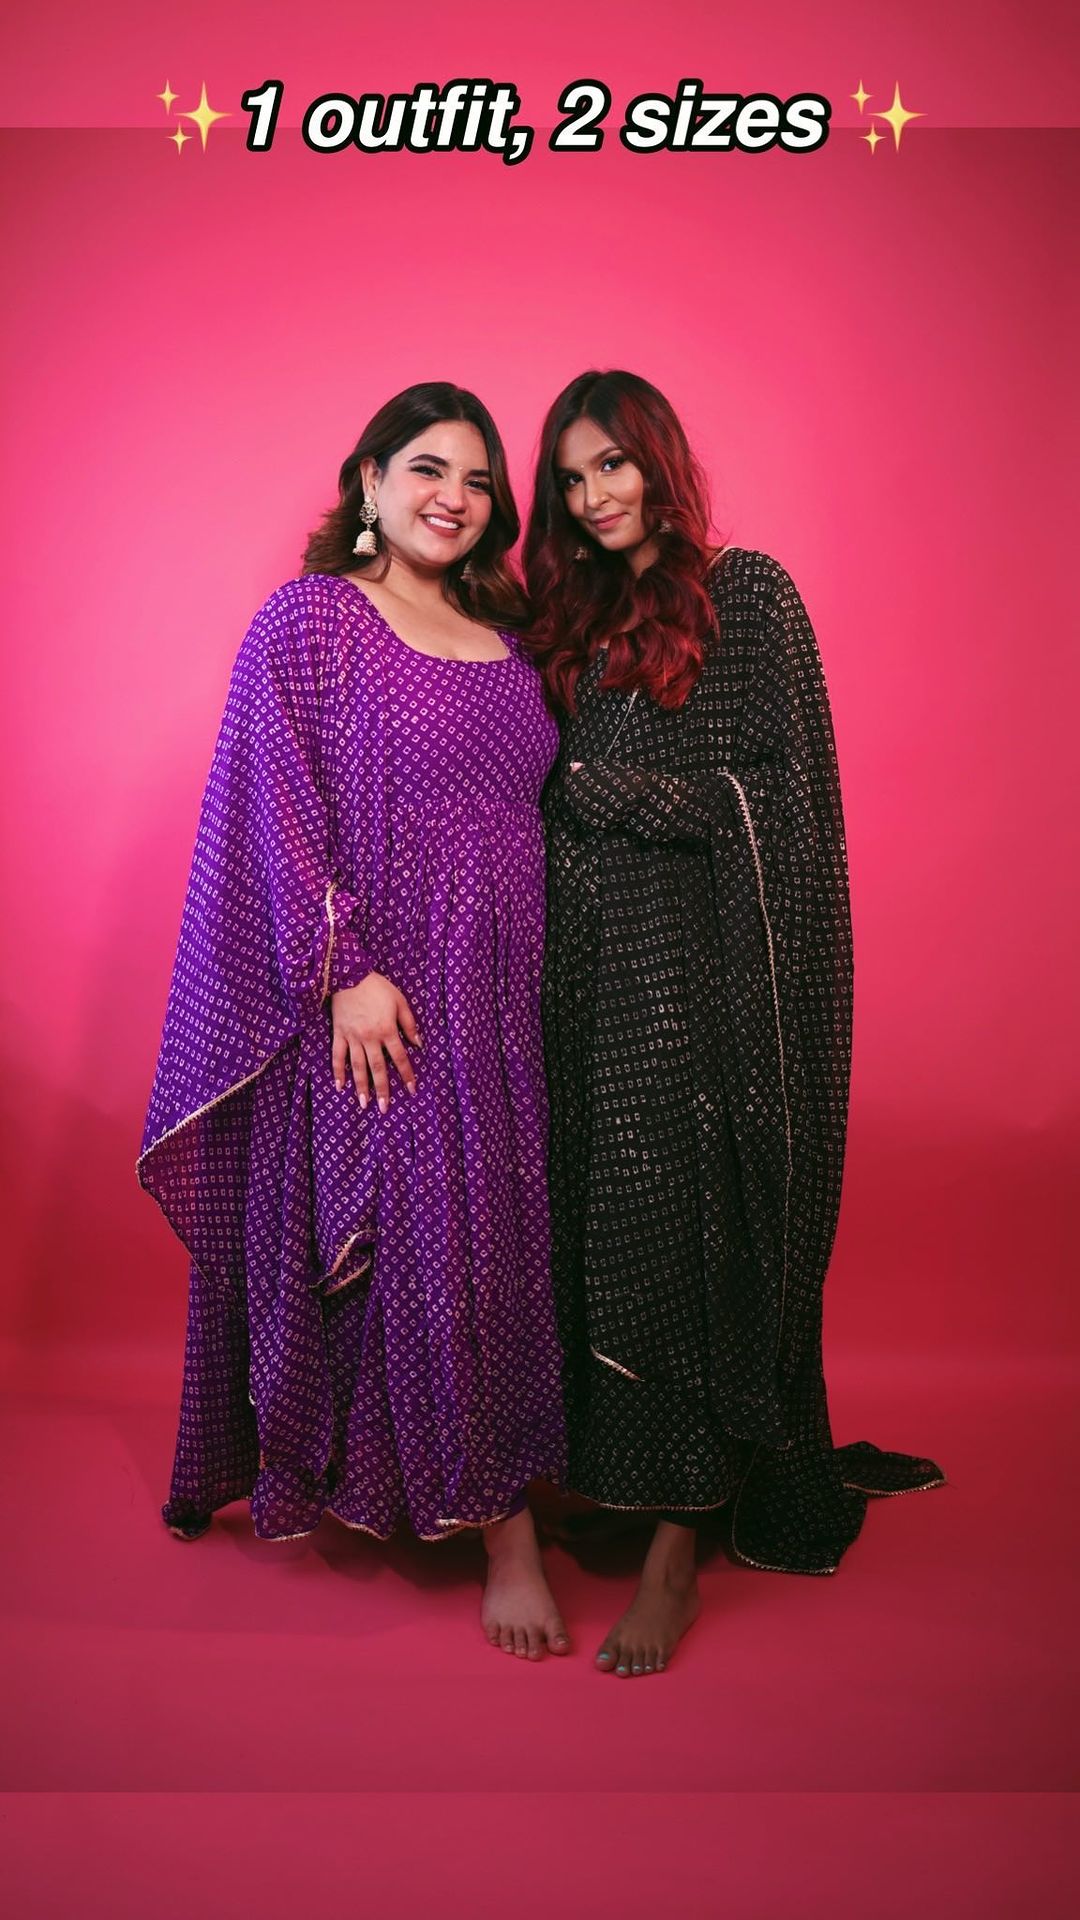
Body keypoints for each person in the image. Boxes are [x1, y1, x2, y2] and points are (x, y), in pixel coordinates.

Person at [523, 369, 945, 1678]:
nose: (595, 495)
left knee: (688, 1231)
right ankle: (626, 1479)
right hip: (585, 983)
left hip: (705, 984)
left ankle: (675, 1550)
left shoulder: (747, 597)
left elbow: (790, 803)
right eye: (572, 478)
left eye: (612, 463)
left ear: (658, 459)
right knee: (597, 1229)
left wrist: (625, 795)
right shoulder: (572, 622)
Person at [139, 382, 570, 1660]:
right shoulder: (314, 620)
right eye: (429, 468)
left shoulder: (509, 633)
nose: (456, 497)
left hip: (503, 995)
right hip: (384, 998)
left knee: (500, 1238)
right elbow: (274, 801)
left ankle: (461, 1476)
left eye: (480, 481)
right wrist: (344, 970)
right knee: (435, 1234)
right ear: (370, 481)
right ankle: (506, 1538)